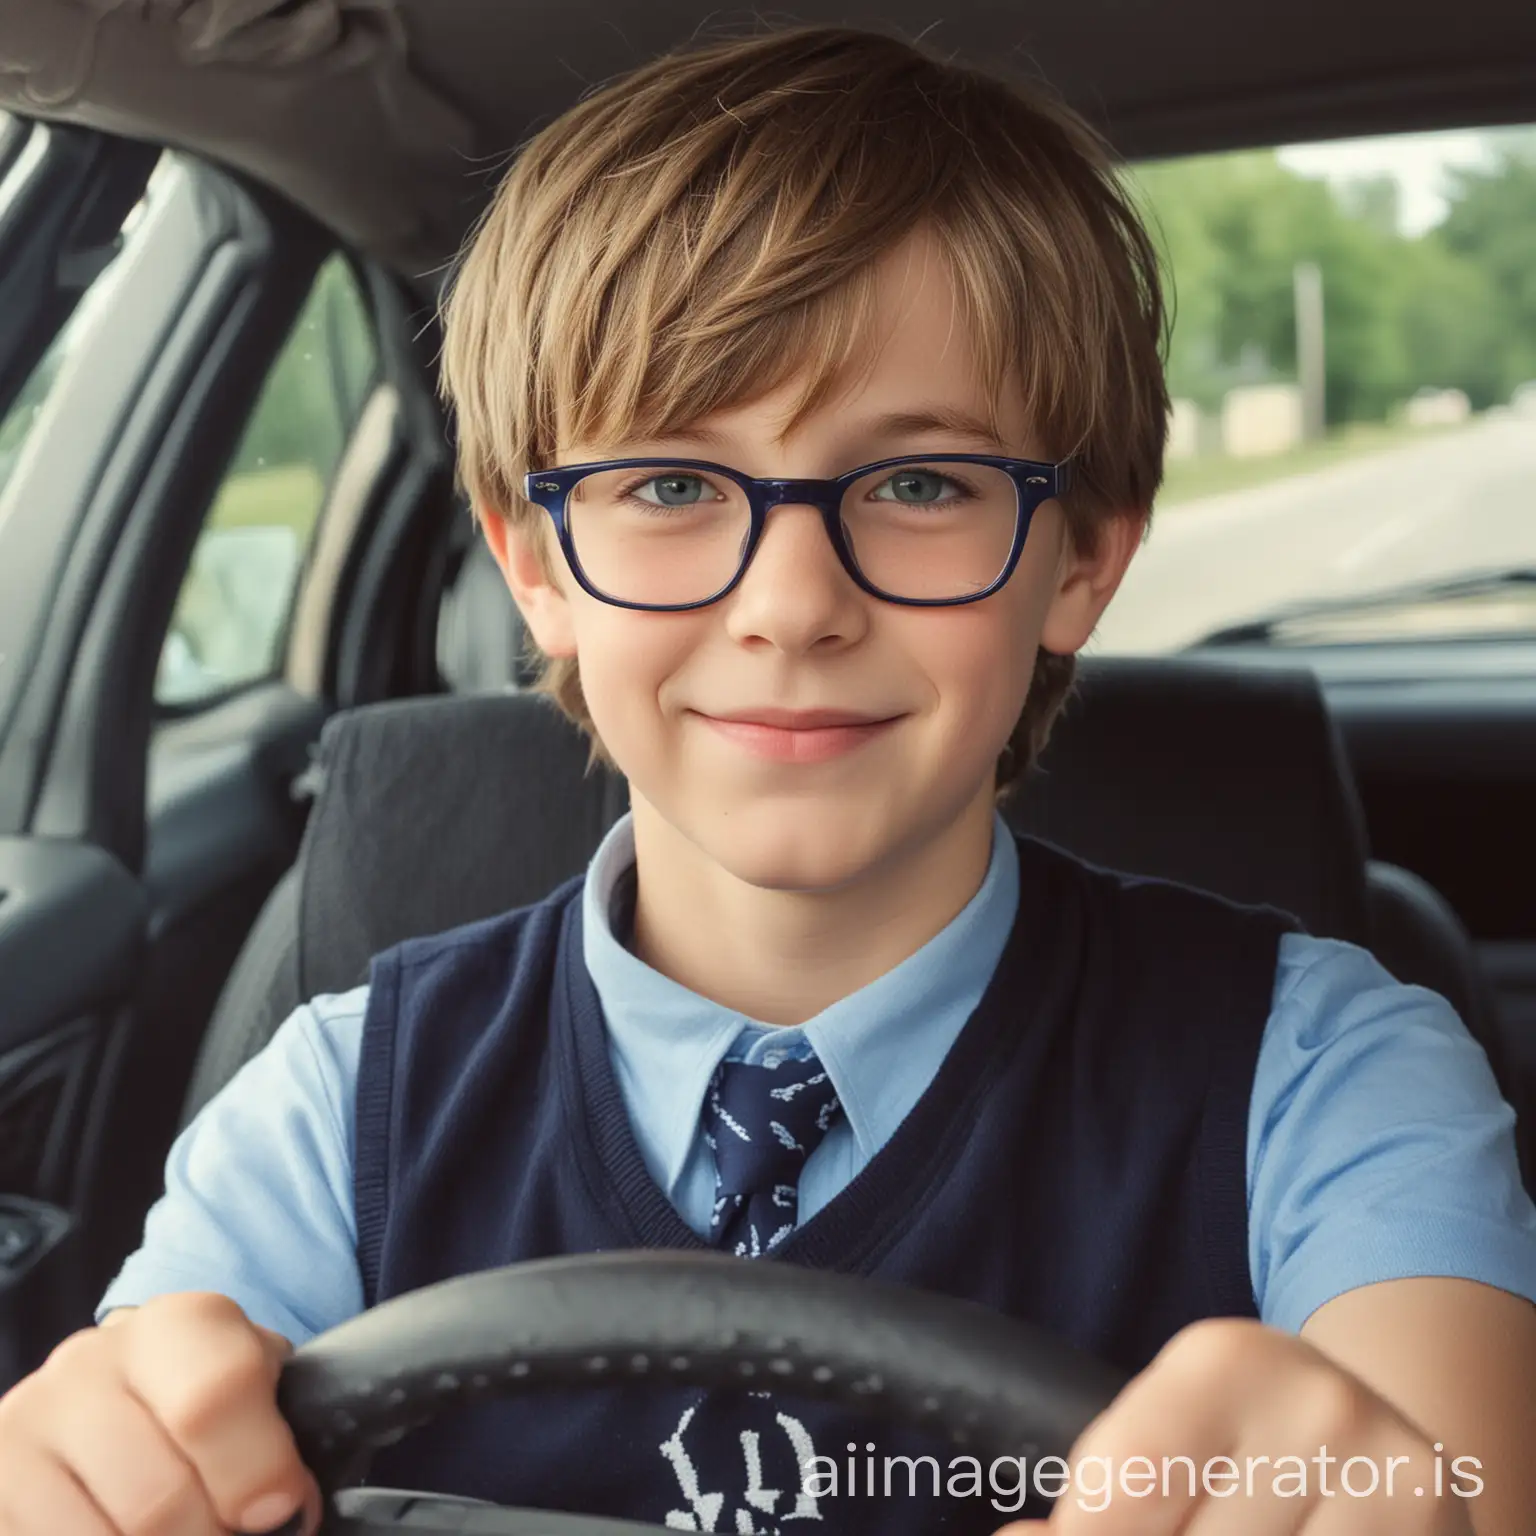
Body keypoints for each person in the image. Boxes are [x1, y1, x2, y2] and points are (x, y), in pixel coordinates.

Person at [1, 22, 1533, 1536]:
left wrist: (1407, 1493)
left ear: (1081, 562)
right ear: (536, 566)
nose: (791, 603)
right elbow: (144, 1433)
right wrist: (93, 1468)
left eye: (923, 483)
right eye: (669, 483)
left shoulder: (1324, 1073)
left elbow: (1459, 1463)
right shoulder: (335, 1109)